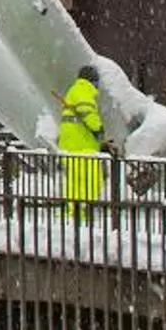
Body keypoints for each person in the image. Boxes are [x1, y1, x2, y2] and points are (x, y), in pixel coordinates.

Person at [58, 64, 109, 216]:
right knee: (92, 181)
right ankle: (85, 211)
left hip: (70, 145)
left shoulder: (73, 91)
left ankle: (73, 213)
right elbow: (87, 112)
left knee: (75, 183)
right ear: (92, 81)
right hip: (82, 146)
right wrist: (98, 129)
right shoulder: (84, 90)